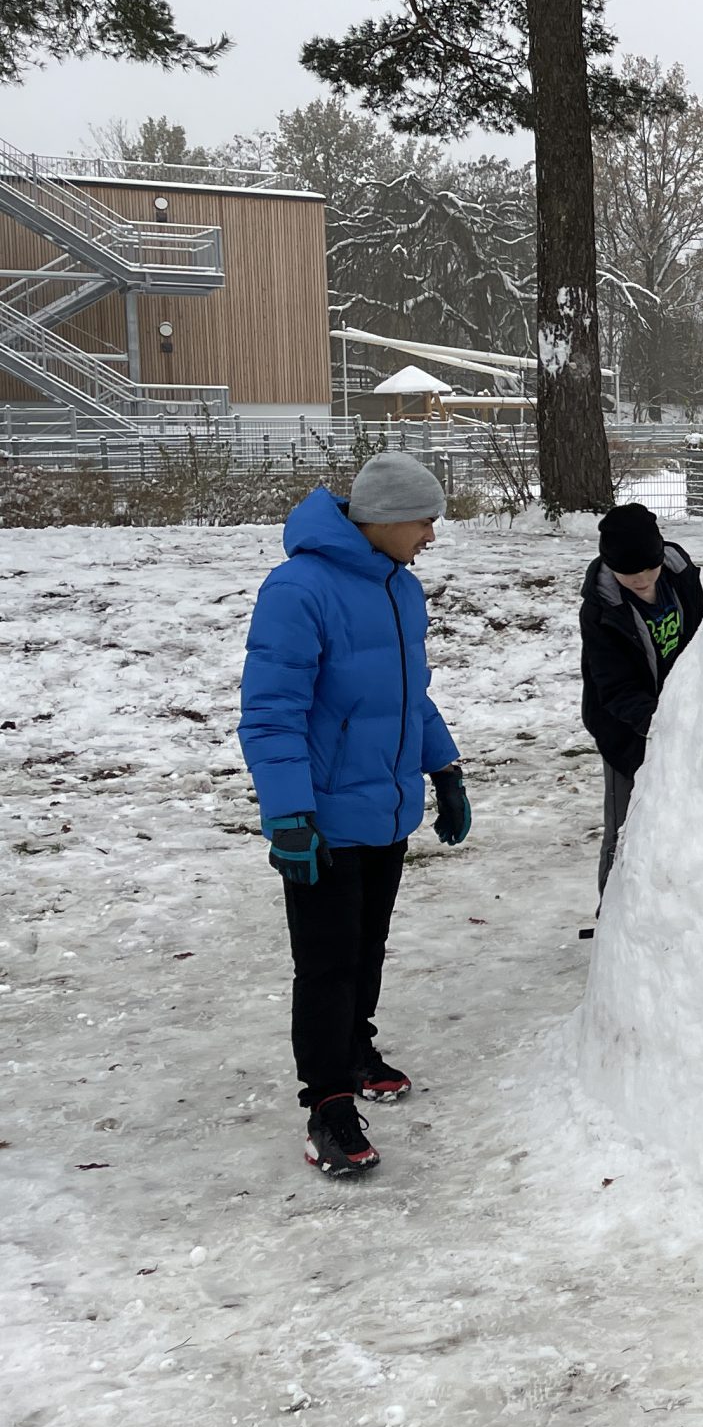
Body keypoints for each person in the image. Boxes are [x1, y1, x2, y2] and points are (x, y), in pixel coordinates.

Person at [239, 451, 471, 1180]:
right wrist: (289, 815)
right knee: (327, 964)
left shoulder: (400, 587)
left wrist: (444, 769)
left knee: (367, 949)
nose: (431, 535)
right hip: (324, 818)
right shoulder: (298, 590)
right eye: (424, 521)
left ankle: (354, 1049)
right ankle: (329, 1106)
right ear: (386, 518)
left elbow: (410, 697)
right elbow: (271, 714)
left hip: (386, 806)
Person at [582, 502, 703, 893]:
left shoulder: (680, 576)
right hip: (626, 731)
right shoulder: (602, 610)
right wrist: (661, 724)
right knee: (628, 826)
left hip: (686, 718)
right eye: (628, 572)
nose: (640, 580)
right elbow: (615, 687)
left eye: (648, 569)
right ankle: (613, 911)